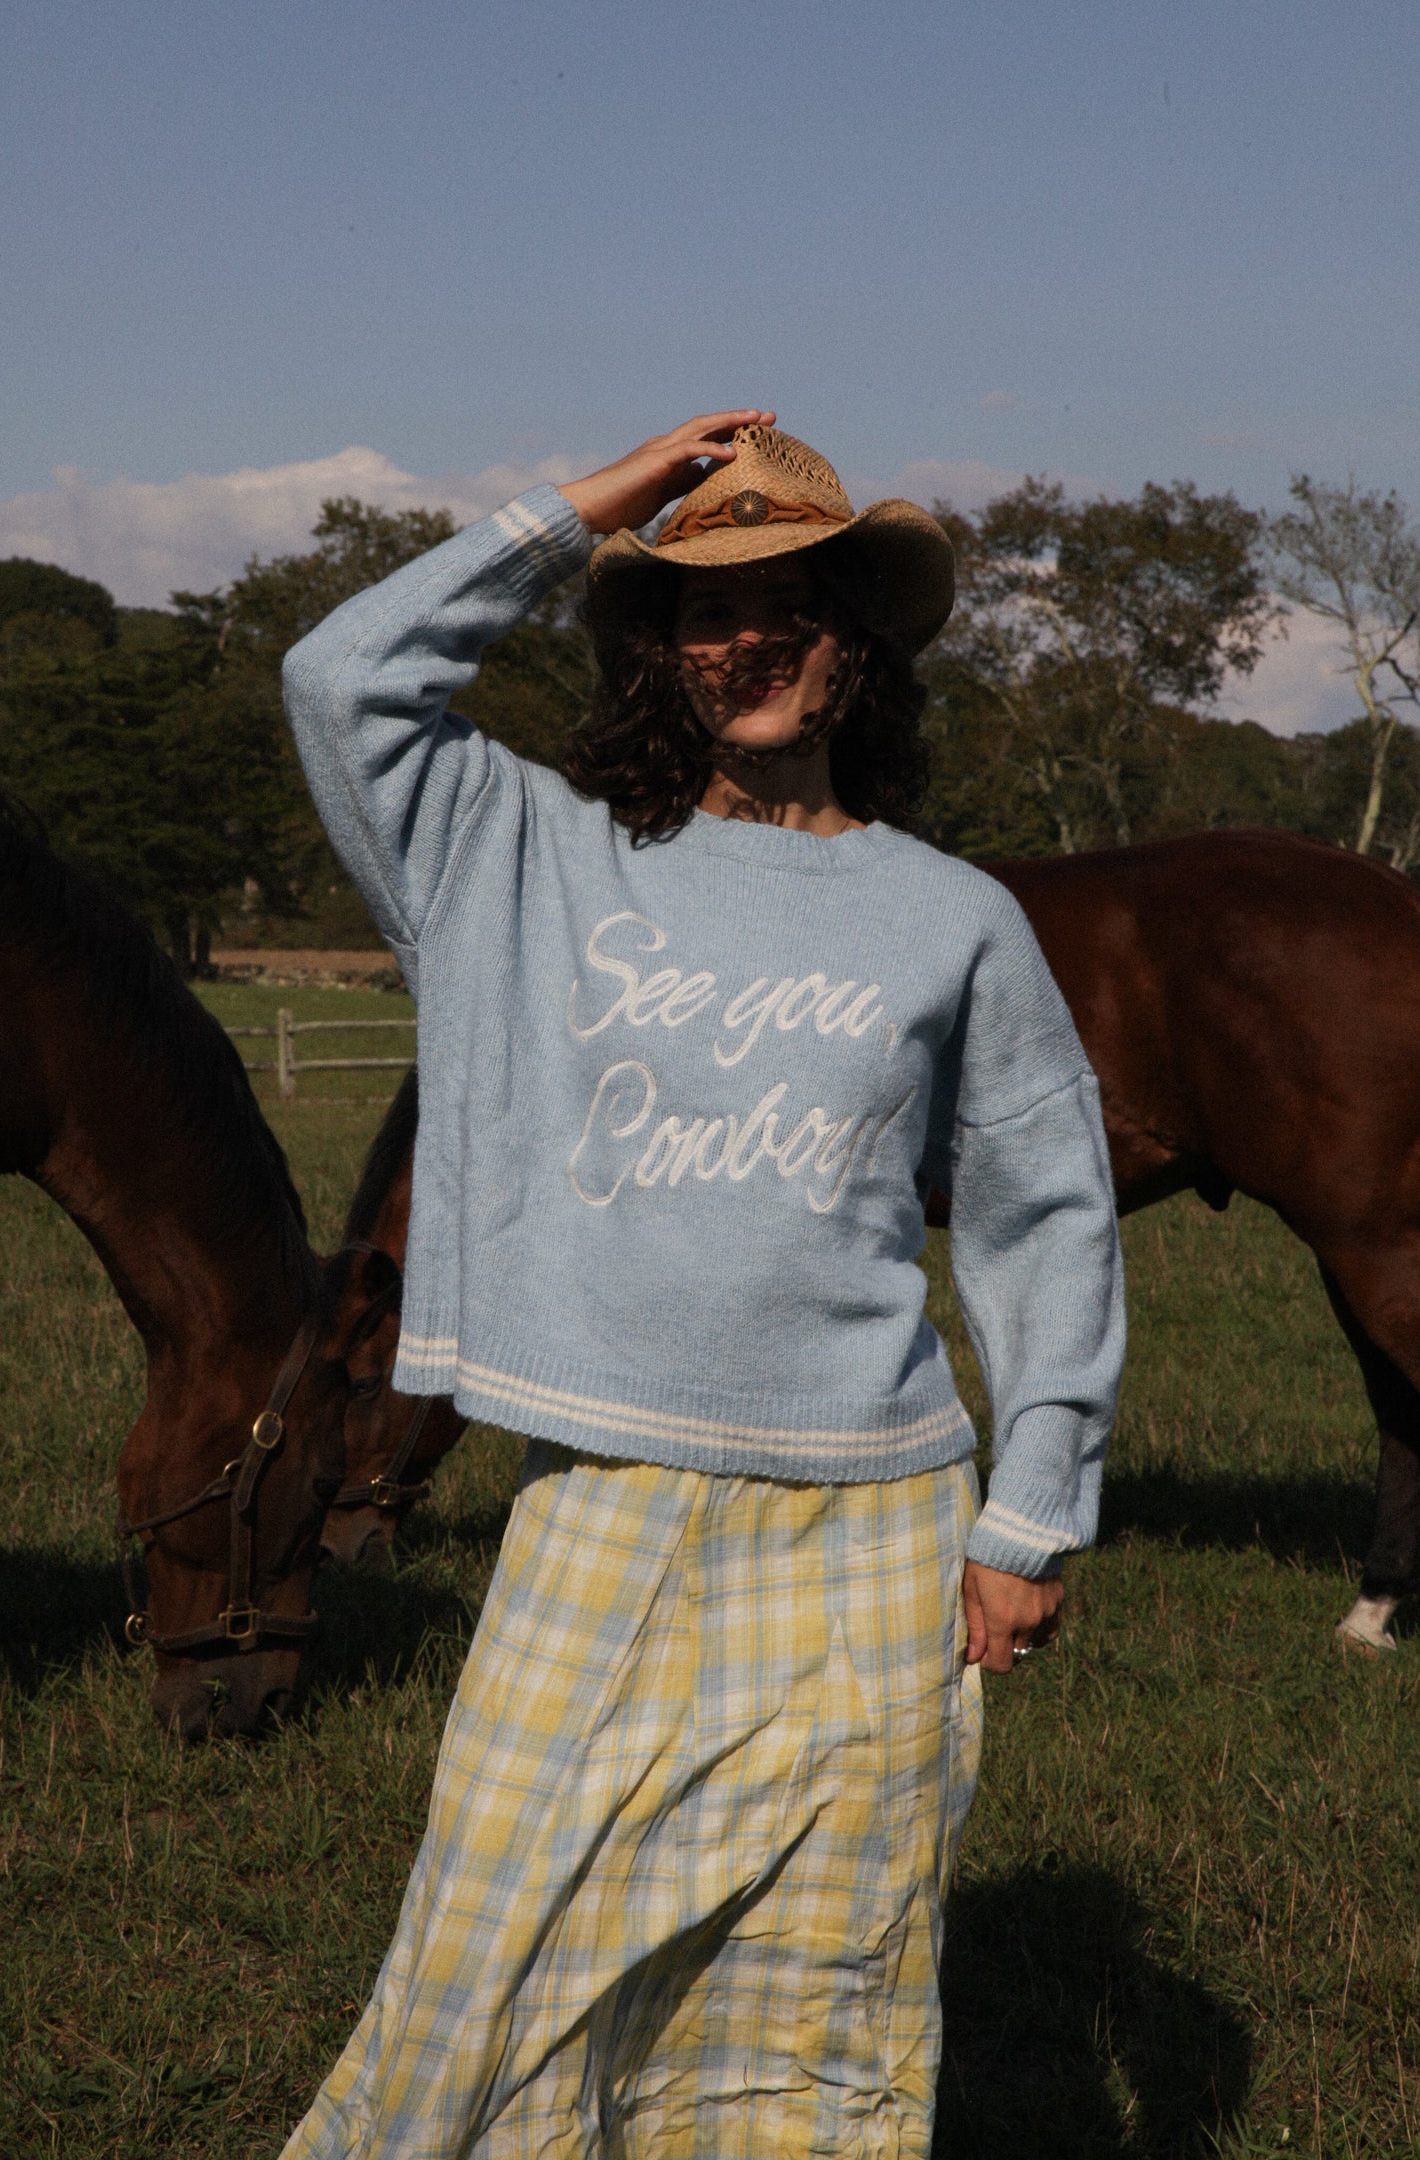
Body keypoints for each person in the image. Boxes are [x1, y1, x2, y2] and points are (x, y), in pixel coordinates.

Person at [279, 411, 1125, 2159]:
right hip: (610, 1501)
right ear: (655, 653)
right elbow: (339, 675)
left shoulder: (950, 915)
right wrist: (601, 500)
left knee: (813, 1996)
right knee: (483, 1958)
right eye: (697, 613)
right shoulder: (523, 855)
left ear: (852, 640)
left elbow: (1047, 1213)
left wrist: (1029, 1508)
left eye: (786, 600)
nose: (742, 640)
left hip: (878, 1524)